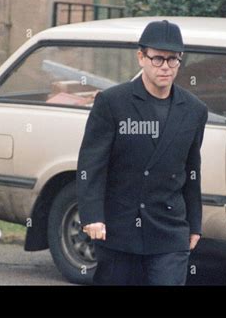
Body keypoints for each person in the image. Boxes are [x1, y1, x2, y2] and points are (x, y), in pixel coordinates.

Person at [77, 20, 208, 285]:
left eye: (173, 60)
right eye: (158, 58)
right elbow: (91, 165)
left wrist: (194, 223)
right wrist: (93, 216)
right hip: (119, 228)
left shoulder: (194, 110)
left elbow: (191, 170)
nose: (166, 67)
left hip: (169, 228)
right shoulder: (113, 102)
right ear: (141, 57)